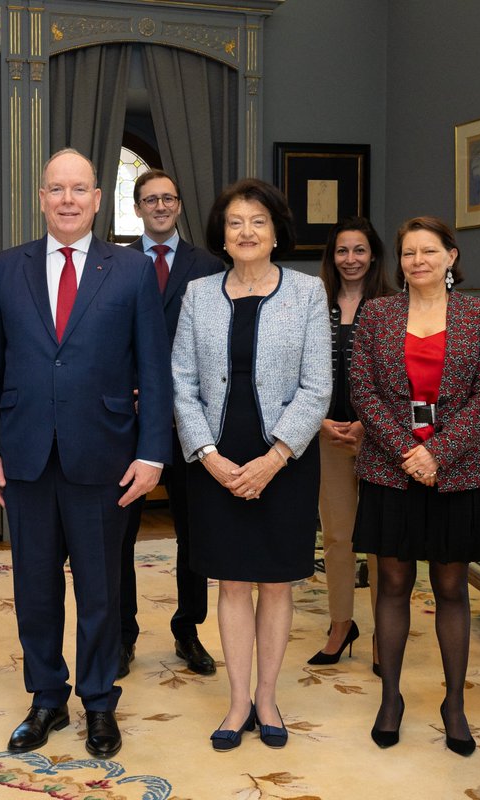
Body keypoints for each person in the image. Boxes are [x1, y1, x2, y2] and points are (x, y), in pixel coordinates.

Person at [0, 148, 172, 759]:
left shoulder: (133, 271)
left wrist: (152, 453)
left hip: (104, 455)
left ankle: (98, 702)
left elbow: (154, 371)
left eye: (79, 189)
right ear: (41, 197)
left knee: (100, 588)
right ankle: (46, 699)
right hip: (25, 453)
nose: (67, 199)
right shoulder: (7, 268)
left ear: (96, 199)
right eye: (56, 188)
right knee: (34, 588)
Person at [172, 179, 330, 751]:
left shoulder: (308, 293)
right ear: (222, 232)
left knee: (276, 582)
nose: (246, 232)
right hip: (215, 456)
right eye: (236, 222)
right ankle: (238, 701)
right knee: (232, 581)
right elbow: (182, 384)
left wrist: (275, 457)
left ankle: (268, 697)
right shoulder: (198, 293)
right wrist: (207, 456)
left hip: (283, 459)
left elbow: (317, 387)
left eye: (258, 221)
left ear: (276, 230)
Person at [351, 216, 480, 757]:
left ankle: (454, 703)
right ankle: (390, 698)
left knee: (450, 588)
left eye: (429, 251)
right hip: (389, 469)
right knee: (391, 585)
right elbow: (363, 390)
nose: (418, 261)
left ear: (451, 256)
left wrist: (436, 452)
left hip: (456, 471)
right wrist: (408, 453)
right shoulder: (377, 313)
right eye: (409, 252)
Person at [117, 168, 224, 680]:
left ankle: (188, 629)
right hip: (125, 415)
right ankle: (122, 634)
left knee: (196, 530)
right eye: (149, 199)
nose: (159, 206)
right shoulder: (112, 262)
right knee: (120, 530)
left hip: (189, 417)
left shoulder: (209, 266)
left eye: (168, 199)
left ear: (179, 206)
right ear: (136, 208)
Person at [309, 218, 391, 671]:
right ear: (332, 256)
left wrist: (369, 422)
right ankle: (341, 624)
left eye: (359, 250)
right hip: (326, 434)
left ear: (373, 255)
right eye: (343, 251)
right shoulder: (313, 302)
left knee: (379, 539)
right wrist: (318, 421)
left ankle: (385, 629)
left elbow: (399, 376)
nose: (351, 259)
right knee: (338, 537)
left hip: (380, 438)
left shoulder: (393, 305)